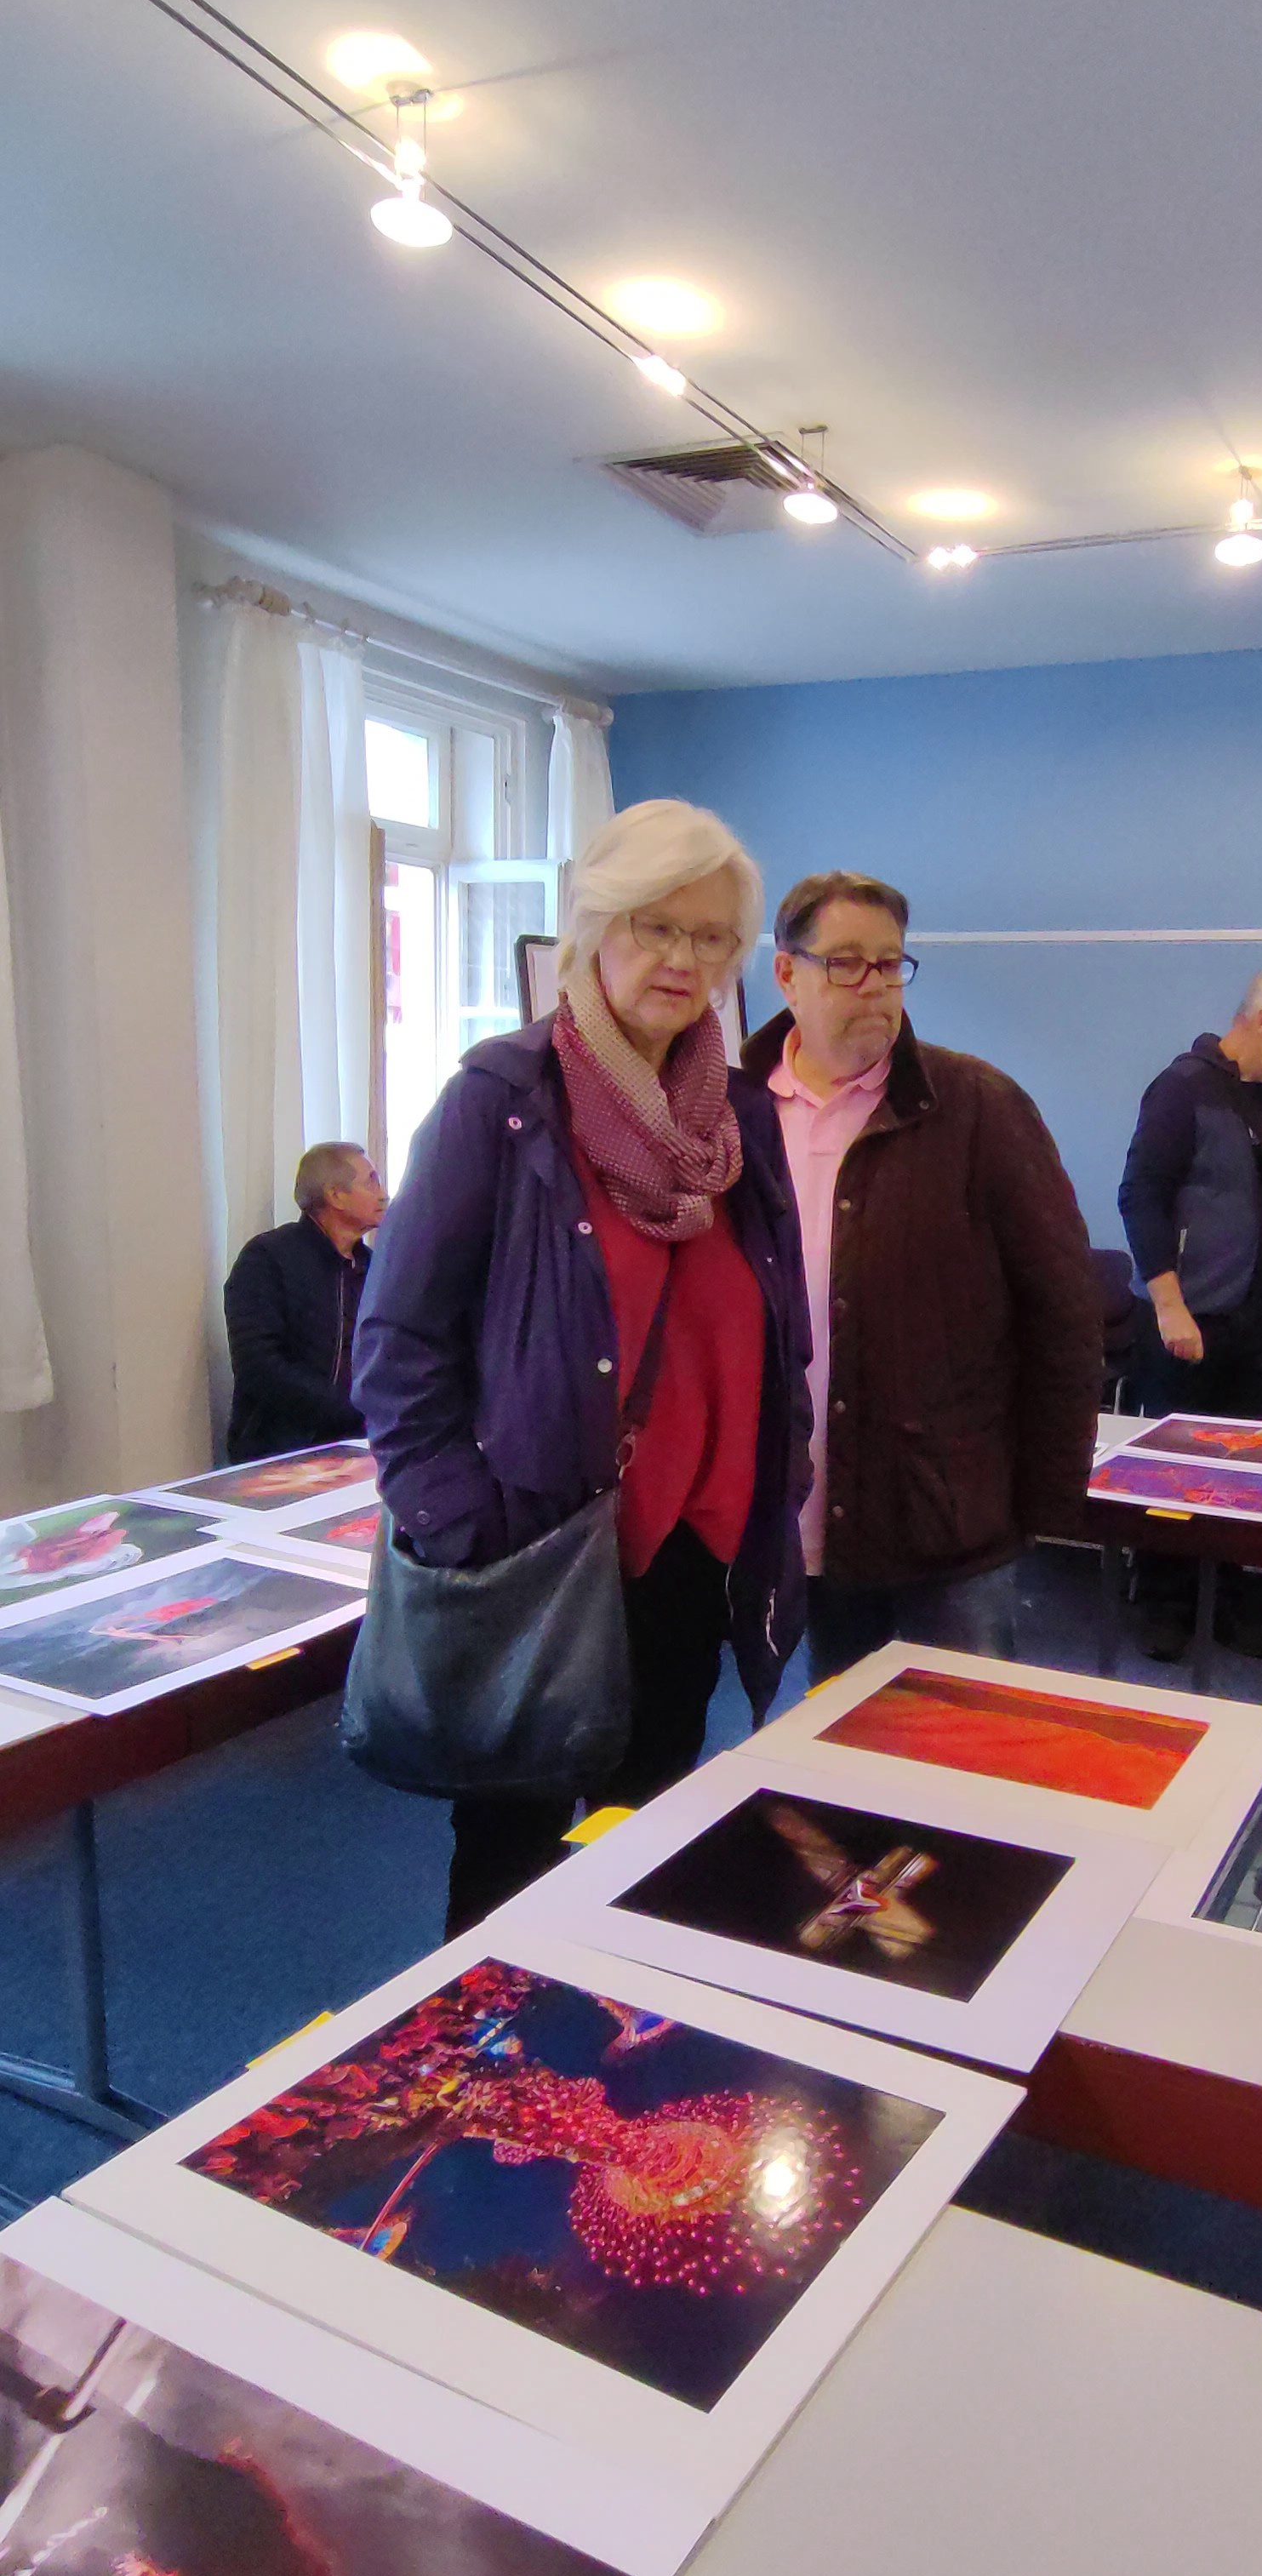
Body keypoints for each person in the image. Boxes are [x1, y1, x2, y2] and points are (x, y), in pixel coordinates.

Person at [354, 798, 812, 1933]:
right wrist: (461, 1525)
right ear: (594, 925)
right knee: (511, 1854)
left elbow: (778, 1324)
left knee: (641, 1837)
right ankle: (477, 2078)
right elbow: (395, 1341)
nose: (684, 959)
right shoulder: (501, 1106)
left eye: (711, 937)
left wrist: (778, 1486)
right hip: (541, 1547)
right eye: (657, 925)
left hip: (692, 1556)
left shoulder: (737, 1120)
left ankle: (596, 2081)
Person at [741, 869, 1100, 1680]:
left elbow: (1064, 1316)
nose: (873, 986)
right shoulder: (733, 1110)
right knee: (835, 1760)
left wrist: (1043, 1507)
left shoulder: (979, 1106)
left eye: (890, 962)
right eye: (845, 962)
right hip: (797, 1511)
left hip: (949, 1522)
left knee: (954, 1762)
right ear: (786, 972)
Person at [1117, 962, 1262, 1654]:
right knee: (1173, 1468)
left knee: (1244, 1471)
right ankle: (1164, 1606)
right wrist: (1169, 1307)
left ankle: (1232, 1601)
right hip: (1189, 1315)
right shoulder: (1180, 1089)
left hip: (1257, 1318)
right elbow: (1140, 1196)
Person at [223, 1142, 386, 1459]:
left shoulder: (376, 1268)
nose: (383, 1193)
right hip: (283, 1452)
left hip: (364, 1446)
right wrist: (354, 1411)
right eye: (371, 1181)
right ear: (335, 1195)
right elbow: (260, 1366)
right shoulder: (269, 1258)